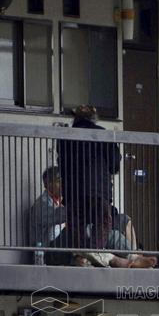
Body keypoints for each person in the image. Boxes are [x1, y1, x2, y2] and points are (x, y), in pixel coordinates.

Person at [57, 104, 121, 250]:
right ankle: (95, 251)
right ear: (94, 119)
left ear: (75, 118)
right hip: (99, 190)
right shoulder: (103, 134)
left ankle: (81, 254)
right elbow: (114, 165)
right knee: (103, 221)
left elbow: (62, 163)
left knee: (76, 223)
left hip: (73, 190)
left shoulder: (65, 136)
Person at [27, 167, 66, 249]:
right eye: (59, 181)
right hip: (45, 254)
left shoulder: (59, 201)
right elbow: (60, 216)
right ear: (48, 184)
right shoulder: (41, 204)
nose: (64, 184)